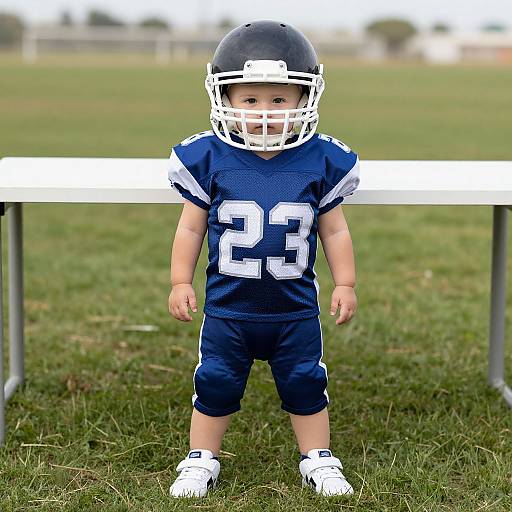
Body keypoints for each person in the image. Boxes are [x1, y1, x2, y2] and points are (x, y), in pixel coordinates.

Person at [167, 20, 360, 498]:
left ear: (304, 98)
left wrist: (346, 282)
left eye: (278, 99)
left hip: (294, 310)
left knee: (305, 381)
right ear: (225, 98)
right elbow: (190, 226)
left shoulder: (321, 159)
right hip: (228, 308)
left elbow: (334, 229)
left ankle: (317, 457)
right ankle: (200, 458)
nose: (265, 113)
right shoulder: (208, 157)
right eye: (250, 100)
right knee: (214, 381)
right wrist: (179, 280)